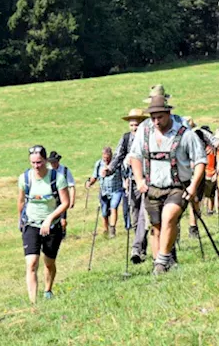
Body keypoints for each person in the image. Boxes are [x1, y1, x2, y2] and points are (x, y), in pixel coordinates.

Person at [127, 92, 207, 275]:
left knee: (168, 217)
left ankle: (161, 261)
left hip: (178, 187)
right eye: (153, 118)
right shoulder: (144, 132)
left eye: (160, 117)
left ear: (169, 114)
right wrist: (139, 180)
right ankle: (161, 265)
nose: (156, 122)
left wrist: (193, 186)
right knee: (156, 227)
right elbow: (135, 157)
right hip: (152, 187)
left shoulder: (184, 134)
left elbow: (201, 160)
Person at [17, 145, 71, 302]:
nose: (36, 166)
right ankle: (33, 302)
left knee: (49, 263)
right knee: (31, 263)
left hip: (52, 225)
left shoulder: (57, 178)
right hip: (31, 224)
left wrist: (49, 219)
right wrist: (20, 219)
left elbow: (65, 203)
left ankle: (48, 289)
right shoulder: (24, 179)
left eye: (39, 162)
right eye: (33, 163)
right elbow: (20, 201)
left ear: (45, 160)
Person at [115, 106, 148, 265]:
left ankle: (136, 249)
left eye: (137, 124)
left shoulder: (148, 137)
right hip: (130, 181)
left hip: (146, 181)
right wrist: (109, 170)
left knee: (143, 215)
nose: (134, 128)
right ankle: (142, 245)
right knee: (134, 217)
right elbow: (118, 156)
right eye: (132, 125)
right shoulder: (126, 138)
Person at [88, 147, 124, 239]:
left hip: (116, 190)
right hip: (104, 191)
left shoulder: (117, 164)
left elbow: (124, 174)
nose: (106, 160)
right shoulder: (99, 164)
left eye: (108, 158)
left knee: (114, 207)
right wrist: (89, 183)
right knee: (104, 212)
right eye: (104, 158)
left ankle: (112, 229)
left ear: (111, 156)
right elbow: (94, 176)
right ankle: (105, 229)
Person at [48, 153, 76, 221]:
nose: (53, 164)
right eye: (51, 162)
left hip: (62, 199)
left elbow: (71, 186)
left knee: (63, 221)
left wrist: (72, 200)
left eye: (54, 162)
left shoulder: (65, 171)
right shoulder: (47, 170)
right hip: (50, 199)